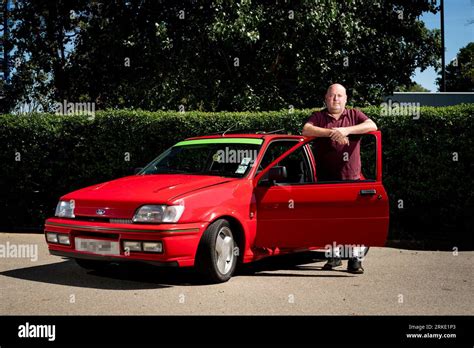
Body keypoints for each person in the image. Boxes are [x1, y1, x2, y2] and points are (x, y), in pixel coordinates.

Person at [302, 83, 377, 274]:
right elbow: (306, 130)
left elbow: (372, 125)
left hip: (351, 179)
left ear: (346, 99)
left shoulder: (354, 114)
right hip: (326, 180)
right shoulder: (318, 116)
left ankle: (355, 260)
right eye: (332, 95)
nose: (336, 99)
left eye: (339, 96)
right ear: (326, 98)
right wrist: (332, 133)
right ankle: (334, 258)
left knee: (353, 221)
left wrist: (346, 130)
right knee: (330, 219)